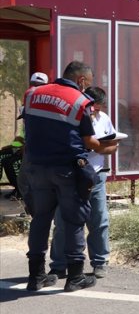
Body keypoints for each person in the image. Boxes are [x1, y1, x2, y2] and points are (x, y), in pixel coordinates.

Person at [19, 61, 117, 292]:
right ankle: (74, 277)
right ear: (81, 80)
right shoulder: (80, 101)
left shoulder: (33, 95)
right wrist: (110, 148)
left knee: (41, 220)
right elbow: (90, 142)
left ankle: (36, 276)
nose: (87, 88)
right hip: (67, 170)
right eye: (88, 83)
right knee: (73, 221)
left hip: (37, 168)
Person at [48, 87, 117, 279]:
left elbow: (113, 144)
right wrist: (93, 145)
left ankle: (100, 262)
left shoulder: (103, 118)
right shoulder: (71, 117)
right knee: (62, 220)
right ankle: (59, 264)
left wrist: (101, 147)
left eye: (96, 107)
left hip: (96, 175)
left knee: (99, 219)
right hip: (71, 175)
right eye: (91, 106)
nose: (93, 110)